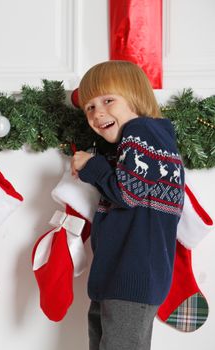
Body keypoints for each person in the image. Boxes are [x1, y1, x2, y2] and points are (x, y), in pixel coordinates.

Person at [71, 60, 185, 350]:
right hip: (116, 276)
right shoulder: (135, 143)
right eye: (90, 107)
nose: (98, 113)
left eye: (108, 100)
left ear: (135, 96)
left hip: (131, 277)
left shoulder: (143, 130)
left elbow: (128, 193)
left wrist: (92, 165)